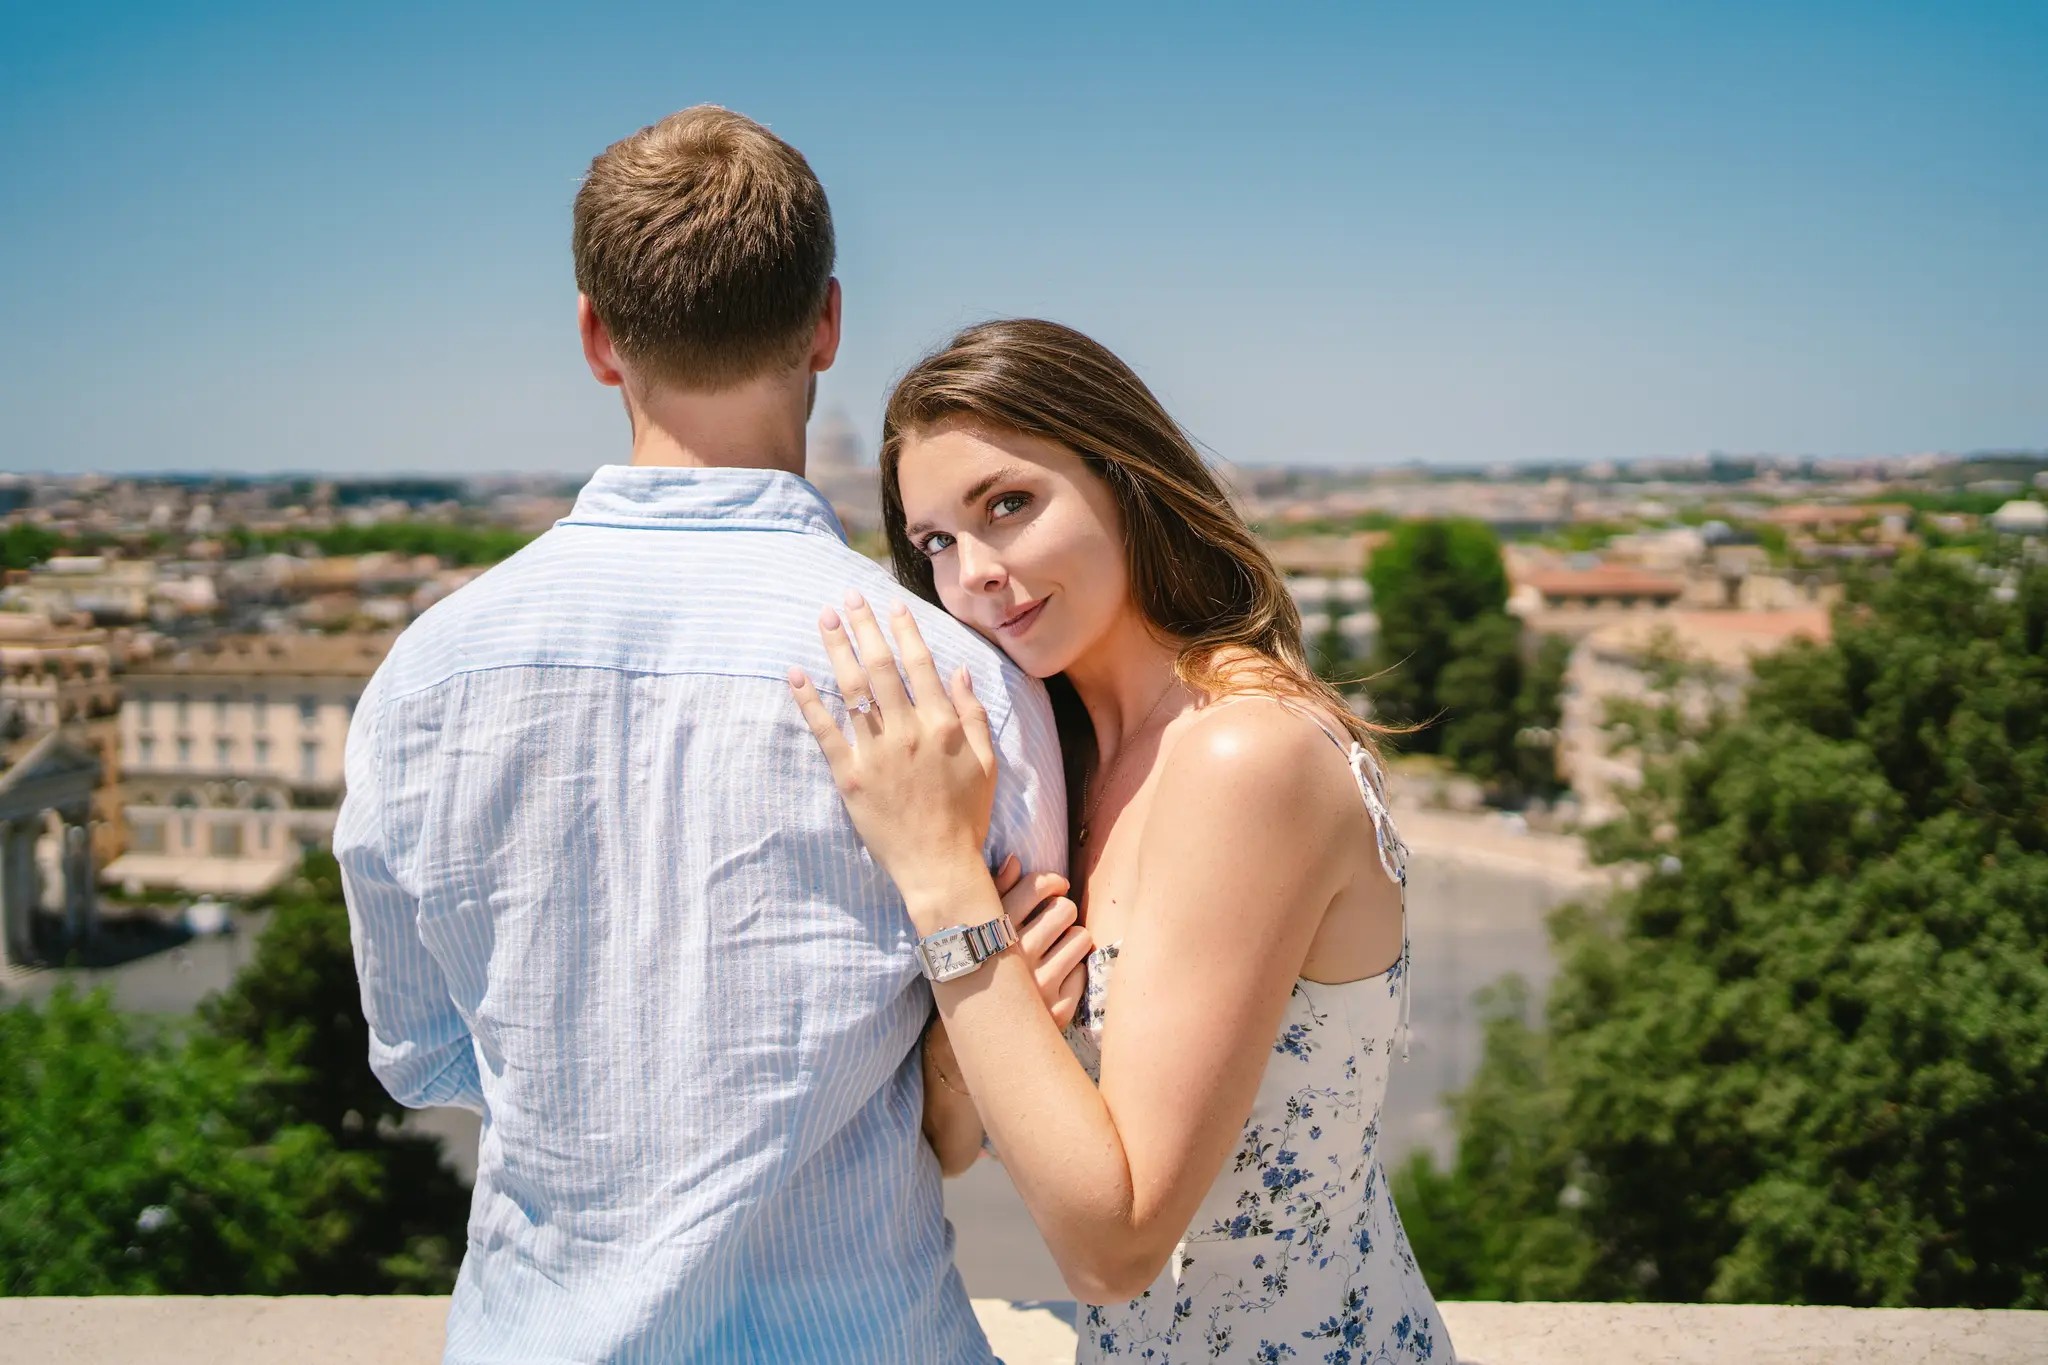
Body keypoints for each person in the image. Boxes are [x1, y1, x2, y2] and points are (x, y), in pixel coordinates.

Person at [335, 108, 1071, 1363]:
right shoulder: (959, 680)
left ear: (594, 338)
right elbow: (996, 1075)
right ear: (826, 323)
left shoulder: (426, 678)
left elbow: (421, 1058)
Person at [787, 319, 1457, 1363]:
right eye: (934, 545)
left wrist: (939, 880)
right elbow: (954, 1144)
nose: (973, 576)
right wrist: (997, 1002)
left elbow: (1113, 1247)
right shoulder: (1065, 772)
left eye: (1006, 505)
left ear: (1123, 476)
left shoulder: (1242, 757)